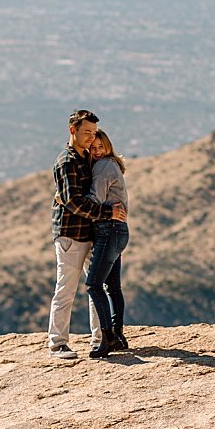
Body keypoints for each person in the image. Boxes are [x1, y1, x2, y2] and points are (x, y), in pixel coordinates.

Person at [47, 107, 124, 358]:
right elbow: (74, 202)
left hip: (92, 233)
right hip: (71, 235)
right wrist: (107, 213)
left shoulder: (88, 159)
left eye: (94, 132)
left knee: (96, 287)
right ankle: (58, 343)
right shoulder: (67, 161)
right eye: (87, 132)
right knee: (66, 289)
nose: (92, 137)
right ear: (73, 131)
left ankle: (100, 338)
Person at [85, 128, 130, 358]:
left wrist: (69, 200)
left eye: (101, 147)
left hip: (108, 230)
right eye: (93, 148)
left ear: (108, 146)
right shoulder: (113, 165)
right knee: (113, 287)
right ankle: (119, 335)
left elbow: (95, 200)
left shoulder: (102, 168)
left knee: (93, 284)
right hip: (119, 231)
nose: (97, 151)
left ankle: (106, 339)